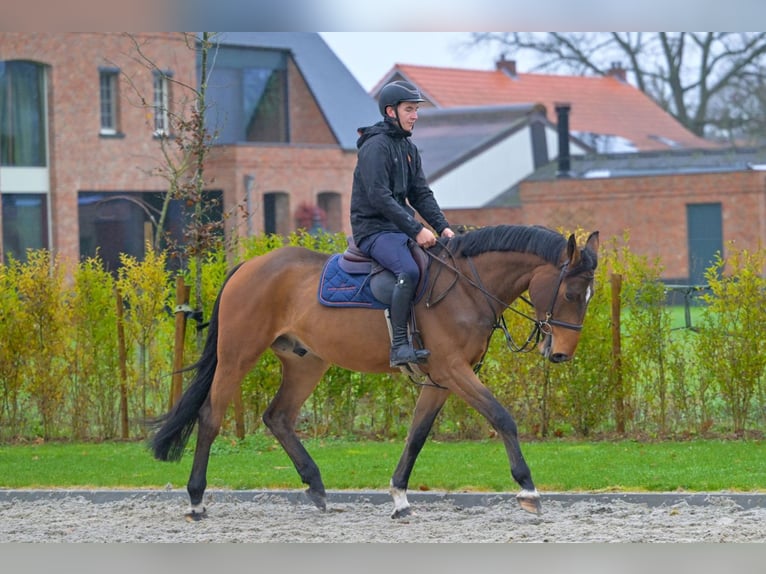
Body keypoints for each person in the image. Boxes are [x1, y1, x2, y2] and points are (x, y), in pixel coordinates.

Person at [350, 80, 455, 367]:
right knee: (407, 270)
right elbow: (379, 197)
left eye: (416, 109)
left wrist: (442, 226)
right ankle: (399, 347)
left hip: (397, 229)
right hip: (372, 230)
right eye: (409, 109)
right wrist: (417, 229)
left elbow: (420, 194)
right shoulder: (375, 147)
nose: (415, 115)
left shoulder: (408, 148)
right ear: (391, 111)